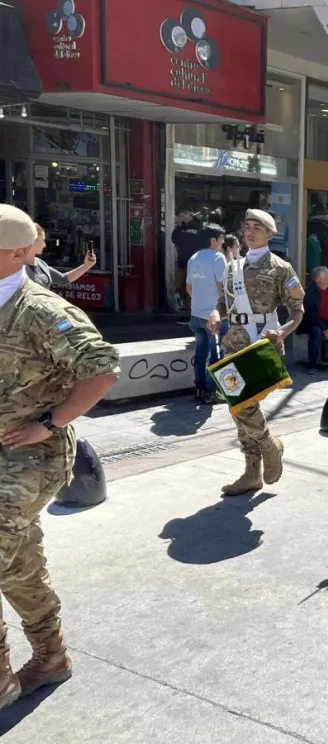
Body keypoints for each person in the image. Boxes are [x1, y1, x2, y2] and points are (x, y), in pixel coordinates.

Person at [0, 205, 120, 710]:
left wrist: (48, 424)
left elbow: (103, 369)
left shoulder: (44, 311)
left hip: (31, 458)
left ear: (15, 252)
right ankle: (50, 657)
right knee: (17, 562)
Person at [205, 209, 304, 495]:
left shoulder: (281, 268)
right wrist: (215, 313)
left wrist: (283, 331)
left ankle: (268, 444)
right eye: (247, 226)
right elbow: (224, 304)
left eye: (257, 227)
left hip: (262, 340)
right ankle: (252, 472)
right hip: (234, 341)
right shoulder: (232, 266)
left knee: (245, 403)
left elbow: (297, 311)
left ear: (270, 234)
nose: (250, 231)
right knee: (237, 405)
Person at [186, 222, 229, 404]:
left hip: (196, 314)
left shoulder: (193, 258)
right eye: (221, 239)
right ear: (213, 240)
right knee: (216, 355)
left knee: (201, 354)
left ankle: (200, 389)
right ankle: (212, 393)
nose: (223, 242)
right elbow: (223, 286)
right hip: (214, 316)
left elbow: (189, 288)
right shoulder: (218, 258)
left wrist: (201, 301)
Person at [24, 225, 97, 290]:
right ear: (32, 241)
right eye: (43, 240)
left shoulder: (41, 264)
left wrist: (86, 266)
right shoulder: (18, 268)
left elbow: (63, 279)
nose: (44, 245)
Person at [172, 207, 202, 314]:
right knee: (181, 288)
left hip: (195, 263)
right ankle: (187, 312)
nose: (182, 217)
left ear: (190, 213)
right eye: (180, 216)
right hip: (182, 261)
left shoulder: (199, 225)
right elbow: (174, 239)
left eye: (183, 214)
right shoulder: (181, 227)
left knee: (191, 290)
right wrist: (179, 225)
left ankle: (192, 314)